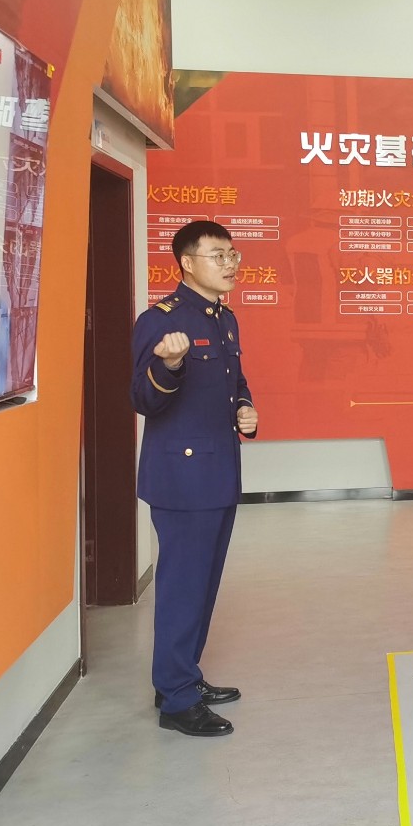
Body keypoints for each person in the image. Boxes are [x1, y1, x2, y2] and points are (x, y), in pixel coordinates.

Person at [130, 220, 258, 738]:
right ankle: (177, 701)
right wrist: (171, 364)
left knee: (203, 586)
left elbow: (234, 380)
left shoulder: (224, 318)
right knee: (183, 589)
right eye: (217, 255)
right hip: (182, 478)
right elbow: (143, 400)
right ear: (186, 263)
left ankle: (182, 677)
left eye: (232, 254)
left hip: (219, 472)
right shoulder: (159, 320)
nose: (230, 264)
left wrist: (245, 407)